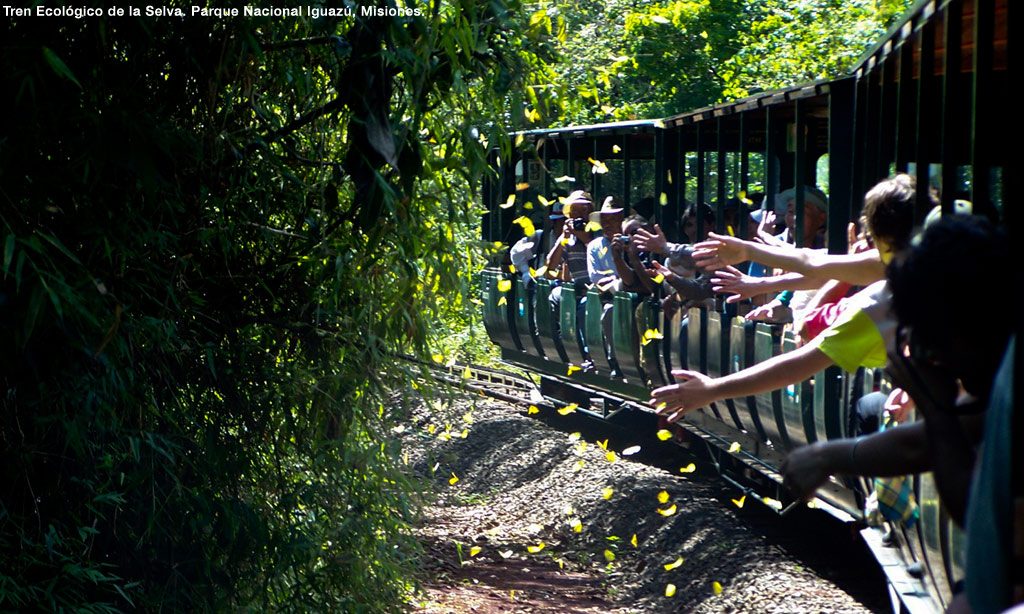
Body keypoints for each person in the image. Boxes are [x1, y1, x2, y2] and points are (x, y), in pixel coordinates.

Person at [648, 176, 924, 424]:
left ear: (880, 238)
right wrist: (750, 255)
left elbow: (799, 362)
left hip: (945, 432)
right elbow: (813, 263)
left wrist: (713, 390)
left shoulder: (880, 302)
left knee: (869, 411)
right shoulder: (947, 259)